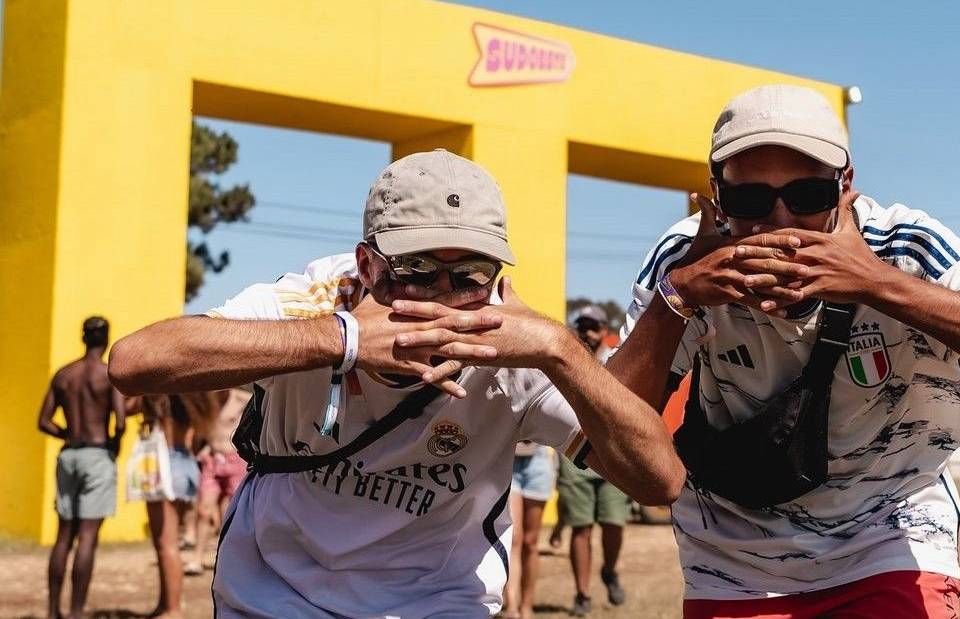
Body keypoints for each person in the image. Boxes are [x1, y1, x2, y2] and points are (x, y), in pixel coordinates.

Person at [109, 149, 684, 618]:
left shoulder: (513, 344)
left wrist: (563, 352)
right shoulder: (316, 302)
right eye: (416, 273)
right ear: (366, 267)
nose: (443, 298)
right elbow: (135, 362)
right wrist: (341, 340)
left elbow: (660, 481)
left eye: (468, 278)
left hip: (437, 603)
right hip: (274, 596)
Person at [608, 84, 960, 618]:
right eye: (750, 202)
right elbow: (606, 427)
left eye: (808, 196)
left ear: (845, 187)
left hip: (889, 539)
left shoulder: (903, 245)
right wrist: (678, 298)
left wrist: (875, 283)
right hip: (734, 558)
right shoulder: (687, 259)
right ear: (716, 196)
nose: (781, 221)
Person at [37, 316, 126, 619]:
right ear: (106, 338)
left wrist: (69, 435)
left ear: (83, 337)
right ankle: (76, 613)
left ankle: (52, 611)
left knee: (64, 536)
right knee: (87, 536)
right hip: (97, 455)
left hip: (69, 456)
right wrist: (115, 442)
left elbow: (43, 421)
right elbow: (122, 419)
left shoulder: (64, 375)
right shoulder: (108, 374)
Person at [553, 305, 629, 616]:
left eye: (593, 325)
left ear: (604, 329)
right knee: (580, 528)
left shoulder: (618, 359)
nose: (587, 331)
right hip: (574, 453)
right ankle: (582, 594)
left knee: (614, 524)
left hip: (612, 455)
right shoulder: (565, 358)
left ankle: (609, 571)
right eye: (582, 325)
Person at [132, 392, 203, 619]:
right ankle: (165, 604)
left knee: (165, 544)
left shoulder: (154, 398)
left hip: (164, 464)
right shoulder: (189, 398)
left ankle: (173, 609)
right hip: (185, 461)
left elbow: (127, 406)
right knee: (171, 541)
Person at [186, 387, 252, 576]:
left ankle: (231, 559)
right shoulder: (207, 403)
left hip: (235, 461)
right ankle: (197, 559)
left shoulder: (242, 399)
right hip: (213, 460)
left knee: (232, 514)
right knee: (204, 510)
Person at [500, 440, 555, 619]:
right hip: (507, 459)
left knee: (530, 542)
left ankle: (527, 606)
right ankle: (512, 606)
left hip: (538, 461)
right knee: (514, 537)